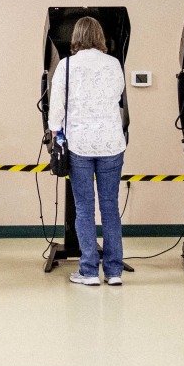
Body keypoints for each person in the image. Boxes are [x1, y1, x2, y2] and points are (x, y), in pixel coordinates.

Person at [47, 16, 128, 286]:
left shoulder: (66, 65)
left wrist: (54, 132)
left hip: (80, 143)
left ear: (76, 37)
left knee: (84, 208)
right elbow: (118, 97)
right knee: (110, 207)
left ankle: (89, 271)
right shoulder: (114, 63)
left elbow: (56, 105)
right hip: (111, 143)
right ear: (100, 37)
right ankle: (114, 271)